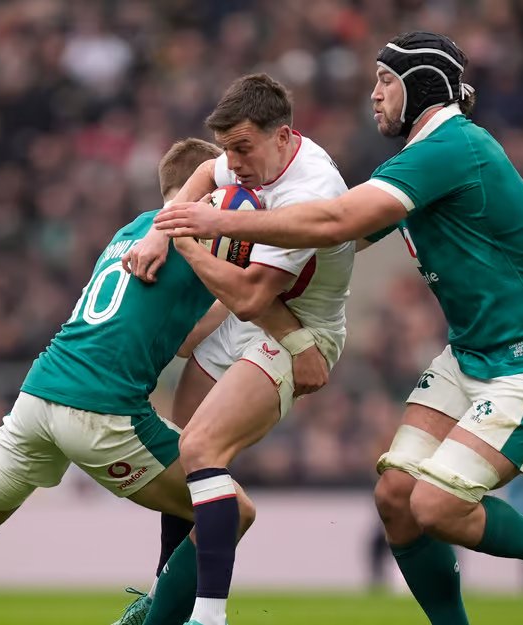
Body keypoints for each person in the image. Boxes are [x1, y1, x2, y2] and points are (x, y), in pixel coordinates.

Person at [156, 32, 523, 625]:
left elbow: (338, 220)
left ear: (421, 87)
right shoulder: (417, 162)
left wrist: (221, 221)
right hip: (472, 354)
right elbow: (341, 237)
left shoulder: (451, 147)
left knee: (437, 506)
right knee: (396, 499)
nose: (374, 95)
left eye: (385, 81)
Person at [0, 138, 314, 625]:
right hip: (102, 410)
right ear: (203, 190)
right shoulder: (200, 227)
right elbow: (217, 308)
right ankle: (159, 617)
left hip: (39, 393)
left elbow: (178, 335)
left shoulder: (131, 232)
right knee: (230, 511)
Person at [119, 73, 355, 625]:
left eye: (243, 149)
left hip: (300, 330)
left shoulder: (309, 191)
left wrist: (187, 242)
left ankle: (207, 616)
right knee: (181, 450)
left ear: (284, 136)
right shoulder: (246, 157)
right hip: (256, 313)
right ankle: (163, 598)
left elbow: (250, 297)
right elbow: (203, 170)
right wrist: (161, 229)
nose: (235, 163)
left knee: (201, 448)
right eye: (229, 149)